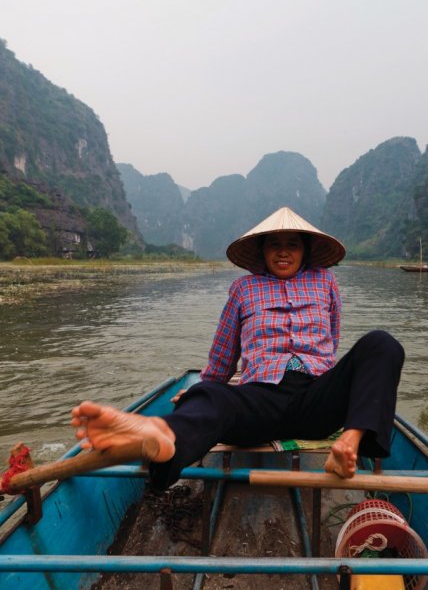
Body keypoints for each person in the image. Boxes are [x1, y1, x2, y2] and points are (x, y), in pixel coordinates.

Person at [72, 206, 404, 490]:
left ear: (306, 250)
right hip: (260, 399)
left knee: (381, 344)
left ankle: (350, 443)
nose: (283, 252)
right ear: (262, 251)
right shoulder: (244, 289)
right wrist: (198, 394)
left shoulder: (326, 282)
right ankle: (162, 435)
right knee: (212, 396)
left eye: (292, 244)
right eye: (275, 245)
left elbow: (331, 341)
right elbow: (223, 356)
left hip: (316, 398)